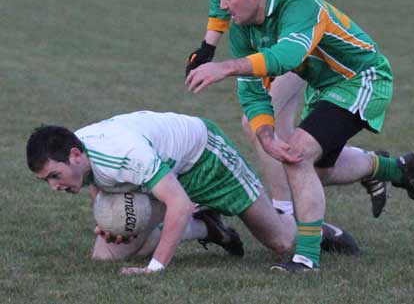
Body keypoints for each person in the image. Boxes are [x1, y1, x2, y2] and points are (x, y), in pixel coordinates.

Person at [185, 0, 414, 272]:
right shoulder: (242, 26)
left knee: (297, 154)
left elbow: (286, 56)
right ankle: (395, 169)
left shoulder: (300, 5)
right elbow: (252, 89)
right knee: (318, 171)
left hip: (361, 78)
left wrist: (225, 66)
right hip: (326, 87)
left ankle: (306, 258)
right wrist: (266, 135)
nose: (222, 6)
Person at [185, 0, 387, 219]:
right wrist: (207, 46)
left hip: (297, 35)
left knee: (259, 122)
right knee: (309, 157)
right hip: (263, 33)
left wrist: (265, 40)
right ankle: (385, 167)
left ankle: (283, 214)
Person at [26, 110, 357, 275]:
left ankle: (319, 230)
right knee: (106, 256)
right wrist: (107, 219)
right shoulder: (80, 155)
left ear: (74, 155)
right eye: (47, 181)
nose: (54, 186)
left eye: (54, 176)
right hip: (158, 170)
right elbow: (98, 183)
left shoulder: (123, 154)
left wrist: (155, 268)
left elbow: (179, 204)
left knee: (280, 242)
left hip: (202, 157)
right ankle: (207, 227)